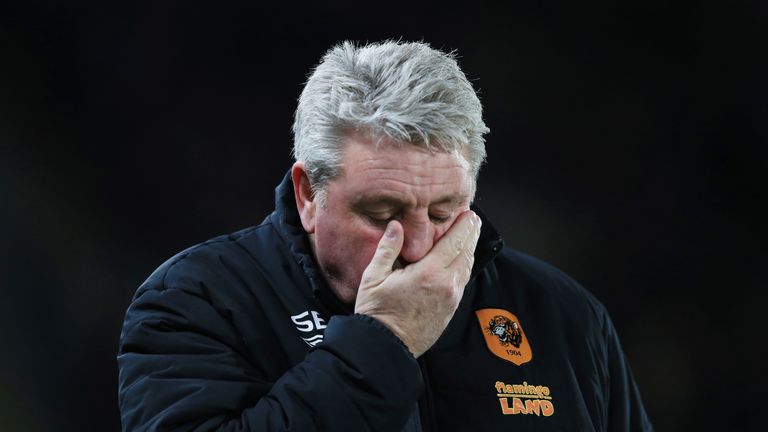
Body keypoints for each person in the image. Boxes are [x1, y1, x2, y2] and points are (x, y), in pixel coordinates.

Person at [117, 40, 653, 431]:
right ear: (308, 194)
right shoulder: (197, 301)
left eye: (444, 211)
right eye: (382, 214)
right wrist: (384, 343)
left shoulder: (561, 315)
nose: (418, 247)